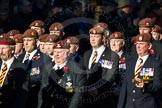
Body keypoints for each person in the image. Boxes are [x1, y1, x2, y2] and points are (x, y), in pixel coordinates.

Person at [117, 33, 162, 108]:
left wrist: (145, 86)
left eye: (141, 44)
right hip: (130, 105)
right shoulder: (130, 62)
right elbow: (125, 86)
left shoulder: (155, 63)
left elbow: (158, 86)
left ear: (149, 46)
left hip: (146, 104)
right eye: (137, 43)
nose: (138, 46)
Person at [40, 40, 86, 108]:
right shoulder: (47, 68)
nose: (56, 55)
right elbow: (42, 91)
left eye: (59, 52)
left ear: (67, 53)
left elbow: (78, 94)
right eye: (55, 52)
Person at [83, 26, 119, 108]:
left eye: (96, 37)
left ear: (103, 38)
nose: (92, 39)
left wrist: (97, 88)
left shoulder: (112, 55)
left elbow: (111, 76)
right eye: (91, 37)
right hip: (86, 98)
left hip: (103, 98)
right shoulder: (87, 54)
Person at [17, 29, 46, 108]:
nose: (26, 43)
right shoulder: (20, 57)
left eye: (29, 40)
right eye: (24, 40)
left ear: (36, 42)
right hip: (19, 98)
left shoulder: (43, 58)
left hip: (34, 98)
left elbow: (41, 79)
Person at [0, 35, 27, 108]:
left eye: (4, 48)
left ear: (12, 50)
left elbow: (22, 95)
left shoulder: (21, 68)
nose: (0, 51)